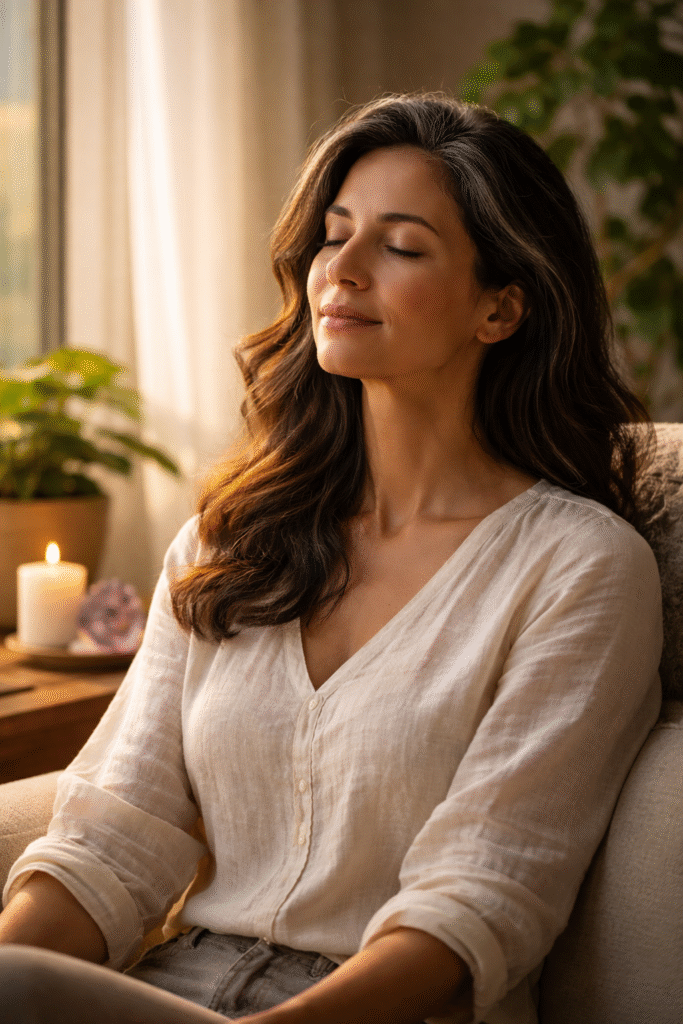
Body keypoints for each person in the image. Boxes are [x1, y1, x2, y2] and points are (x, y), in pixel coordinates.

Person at [0, 92, 662, 1024]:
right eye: (333, 235)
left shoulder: (578, 567)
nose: (339, 272)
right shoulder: (232, 537)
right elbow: (111, 839)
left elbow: (479, 898)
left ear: (499, 308)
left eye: (399, 247)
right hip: (171, 989)